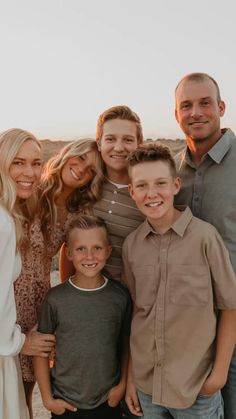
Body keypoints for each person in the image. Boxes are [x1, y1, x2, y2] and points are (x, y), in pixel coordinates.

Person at [122, 143, 236, 418]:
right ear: (132, 191)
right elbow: (138, 312)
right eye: (142, 185)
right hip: (148, 388)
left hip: (196, 388)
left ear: (175, 185)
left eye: (160, 183)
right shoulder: (132, 245)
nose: (152, 194)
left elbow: (230, 307)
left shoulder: (205, 238)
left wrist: (218, 376)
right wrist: (132, 378)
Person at [14, 138, 103, 418]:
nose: (81, 169)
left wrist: (69, 301)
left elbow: (69, 258)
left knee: (24, 389)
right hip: (8, 293)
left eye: (91, 169)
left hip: (37, 300)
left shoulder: (76, 212)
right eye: (80, 158)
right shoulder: (30, 189)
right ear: (67, 154)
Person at [174, 72, 236, 419]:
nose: (195, 112)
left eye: (204, 103)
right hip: (188, 326)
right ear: (176, 115)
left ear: (221, 107)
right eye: (186, 105)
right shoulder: (169, 171)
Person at [34, 215, 131, 419]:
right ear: (68, 253)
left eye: (97, 248)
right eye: (81, 249)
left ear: (108, 251)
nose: (89, 256)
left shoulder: (119, 297)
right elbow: (41, 351)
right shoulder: (55, 299)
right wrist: (47, 399)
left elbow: (126, 346)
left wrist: (122, 385)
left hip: (108, 401)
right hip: (66, 404)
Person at [0, 128, 55, 419]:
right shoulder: (3, 223)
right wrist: (20, 342)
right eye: (18, 162)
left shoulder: (13, 213)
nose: (30, 172)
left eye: (36, 163)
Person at [60, 105, 144, 282]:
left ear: (139, 144)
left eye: (128, 140)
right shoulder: (86, 184)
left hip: (131, 300)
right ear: (99, 143)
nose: (119, 148)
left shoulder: (147, 193)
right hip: (85, 296)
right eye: (111, 139)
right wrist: (67, 291)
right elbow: (69, 243)